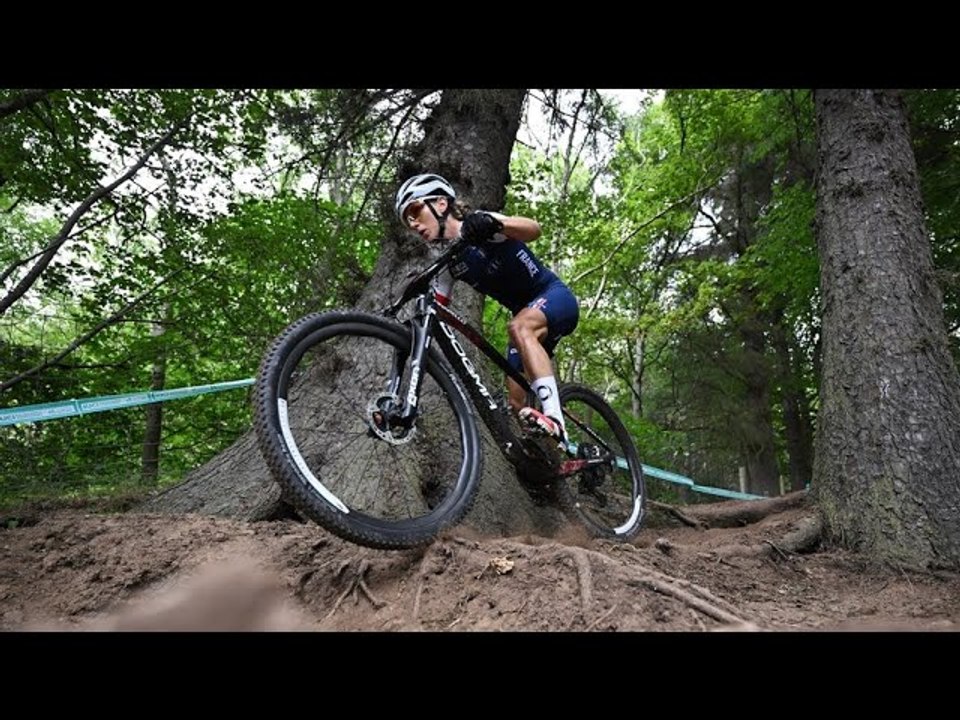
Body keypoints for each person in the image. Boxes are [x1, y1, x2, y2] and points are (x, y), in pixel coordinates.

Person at [395, 172, 580, 443]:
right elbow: (437, 312)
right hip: (524, 316)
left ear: (441, 203)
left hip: (552, 295)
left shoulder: (479, 224)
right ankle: (552, 454)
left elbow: (533, 229)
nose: (413, 224)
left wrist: (495, 224)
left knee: (519, 327)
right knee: (517, 403)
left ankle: (554, 419)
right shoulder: (448, 265)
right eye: (407, 221)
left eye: (415, 210)